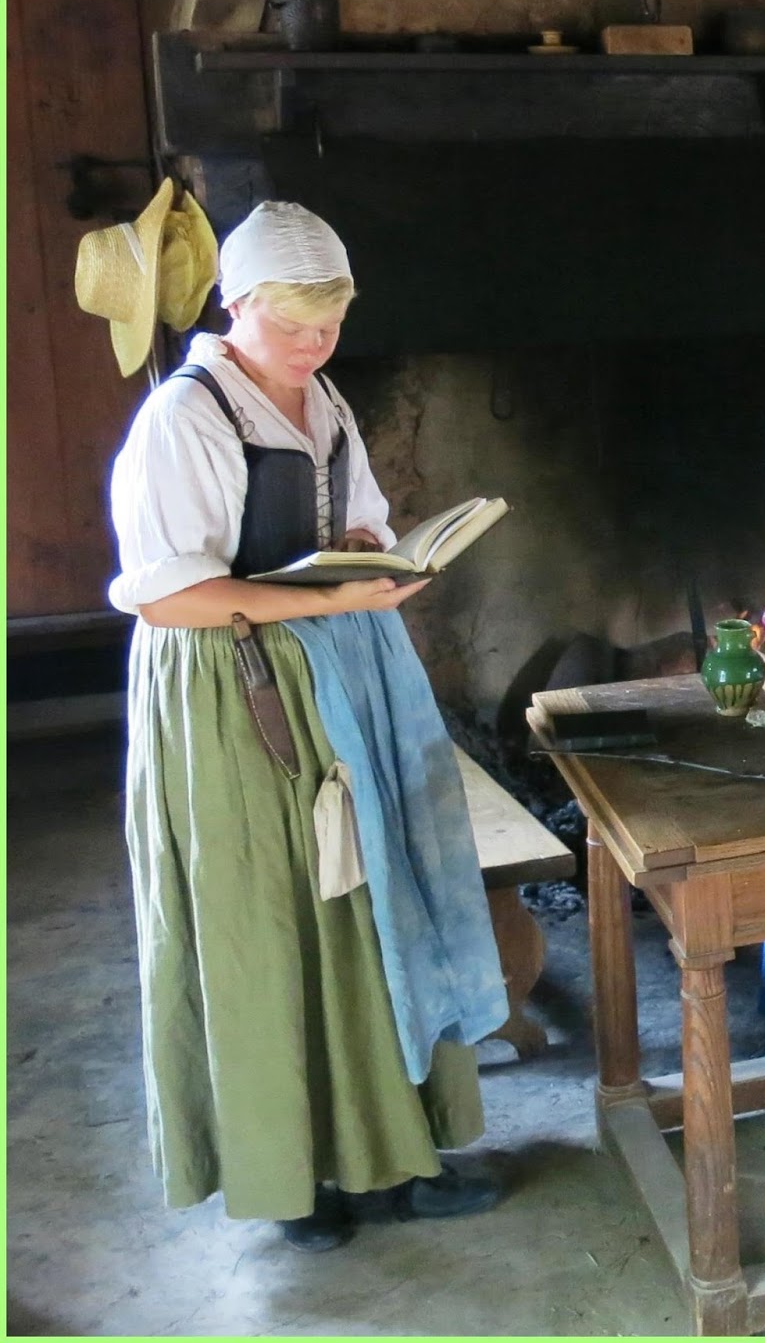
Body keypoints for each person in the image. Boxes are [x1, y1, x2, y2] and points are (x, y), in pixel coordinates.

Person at [106, 201, 509, 1251]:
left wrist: (375, 547)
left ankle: (392, 1155)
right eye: (292, 322)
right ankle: (300, 1178)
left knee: (370, 899)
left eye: (330, 320)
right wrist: (327, 604)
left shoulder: (318, 395)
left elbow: (352, 516)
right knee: (275, 918)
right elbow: (166, 598)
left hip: (331, 667)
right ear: (237, 306)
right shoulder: (185, 420)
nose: (314, 342)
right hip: (230, 691)